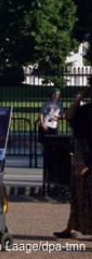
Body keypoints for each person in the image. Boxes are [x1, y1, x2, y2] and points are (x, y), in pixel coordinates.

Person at [53, 87, 92, 239]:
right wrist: (78, 99)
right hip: (80, 152)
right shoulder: (85, 109)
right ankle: (72, 227)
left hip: (88, 156)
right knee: (76, 193)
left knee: (88, 194)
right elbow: (69, 116)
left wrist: (87, 163)